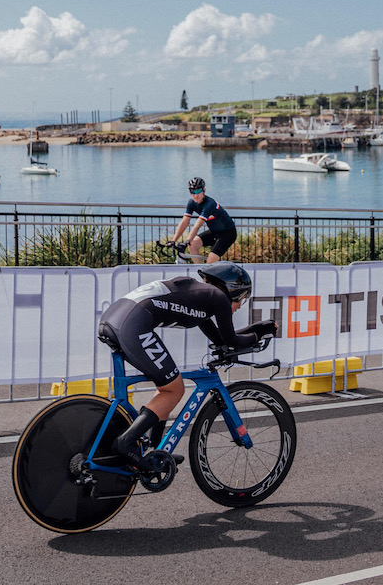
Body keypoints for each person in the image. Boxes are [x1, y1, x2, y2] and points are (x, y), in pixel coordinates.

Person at [97, 262, 276, 470]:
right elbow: (231, 340)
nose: (238, 306)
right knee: (175, 389)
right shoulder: (217, 298)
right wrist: (261, 331)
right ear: (232, 290)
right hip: (132, 324)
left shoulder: (202, 298)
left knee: (166, 388)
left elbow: (221, 340)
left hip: (115, 319)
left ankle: (155, 450)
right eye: (242, 299)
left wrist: (257, 330)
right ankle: (125, 443)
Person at [170, 177, 237, 263]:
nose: (196, 195)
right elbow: (184, 222)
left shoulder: (209, 203)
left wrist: (187, 241)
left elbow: (197, 225)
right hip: (214, 232)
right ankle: (200, 272)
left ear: (204, 190)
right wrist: (174, 240)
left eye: (198, 191)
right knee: (192, 244)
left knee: (210, 261)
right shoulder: (191, 203)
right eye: (193, 192)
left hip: (228, 233)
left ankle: (208, 274)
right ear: (189, 192)